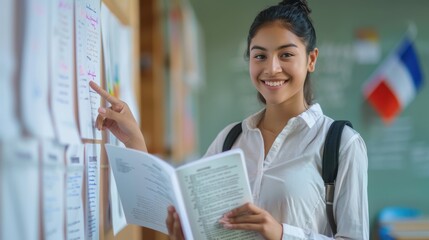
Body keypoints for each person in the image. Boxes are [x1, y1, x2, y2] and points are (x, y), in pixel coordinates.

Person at [90, 0, 369, 239]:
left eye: (286, 54)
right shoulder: (230, 138)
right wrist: (134, 140)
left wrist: (282, 234)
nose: (272, 68)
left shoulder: (341, 144)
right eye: (260, 55)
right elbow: (187, 210)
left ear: (311, 59)